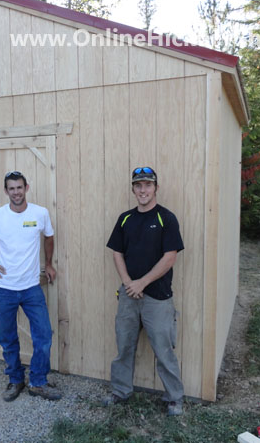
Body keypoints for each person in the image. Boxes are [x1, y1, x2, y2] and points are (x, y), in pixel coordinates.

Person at [0, 171, 61, 402]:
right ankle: (15, 380)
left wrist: (48, 263)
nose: (16, 192)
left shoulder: (40, 213)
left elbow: (49, 237)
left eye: (19, 187)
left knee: (44, 335)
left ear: (27, 187)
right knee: (8, 339)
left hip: (31, 289)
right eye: (11, 188)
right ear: (6, 191)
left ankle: (37, 382)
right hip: (3, 289)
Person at [104, 166, 185, 416]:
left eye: (147, 185)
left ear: (156, 188)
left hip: (158, 296)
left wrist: (142, 283)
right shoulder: (125, 218)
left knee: (163, 349)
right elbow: (117, 252)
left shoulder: (166, 218)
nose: (143, 190)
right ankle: (120, 391)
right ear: (133, 189)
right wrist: (129, 282)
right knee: (124, 346)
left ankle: (174, 398)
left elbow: (169, 257)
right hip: (129, 295)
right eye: (138, 185)